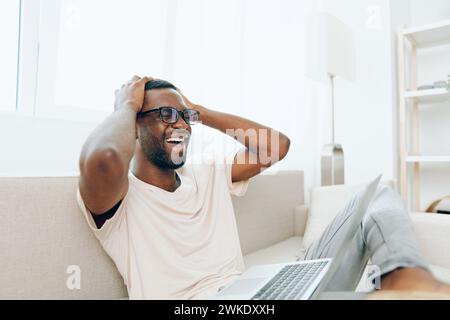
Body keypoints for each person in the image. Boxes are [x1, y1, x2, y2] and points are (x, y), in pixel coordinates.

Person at [77, 75, 449, 299]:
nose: (181, 125)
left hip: (261, 291)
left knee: (378, 194)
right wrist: (125, 104)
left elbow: (276, 147)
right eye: (165, 115)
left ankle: (405, 277)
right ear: (134, 125)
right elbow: (105, 160)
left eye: (185, 118)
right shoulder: (121, 201)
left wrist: (197, 110)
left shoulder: (208, 174)